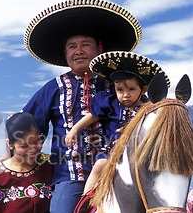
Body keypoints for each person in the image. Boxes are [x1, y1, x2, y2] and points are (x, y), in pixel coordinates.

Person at [22, 0, 142, 213]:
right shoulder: (53, 88)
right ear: (64, 54)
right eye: (72, 46)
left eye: (85, 44)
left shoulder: (118, 85)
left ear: (99, 48)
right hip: (71, 175)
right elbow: (28, 129)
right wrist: (22, 162)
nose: (78, 50)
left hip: (119, 174)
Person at [65, 51, 169, 195]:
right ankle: (86, 199)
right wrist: (75, 129)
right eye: (120, 90)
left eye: (131, 89)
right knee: (100, 166)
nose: (125, 94)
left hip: (139, 152)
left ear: (143, 89)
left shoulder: (148, 108)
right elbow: (93, 116)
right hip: (112, 151)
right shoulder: (111, 103)